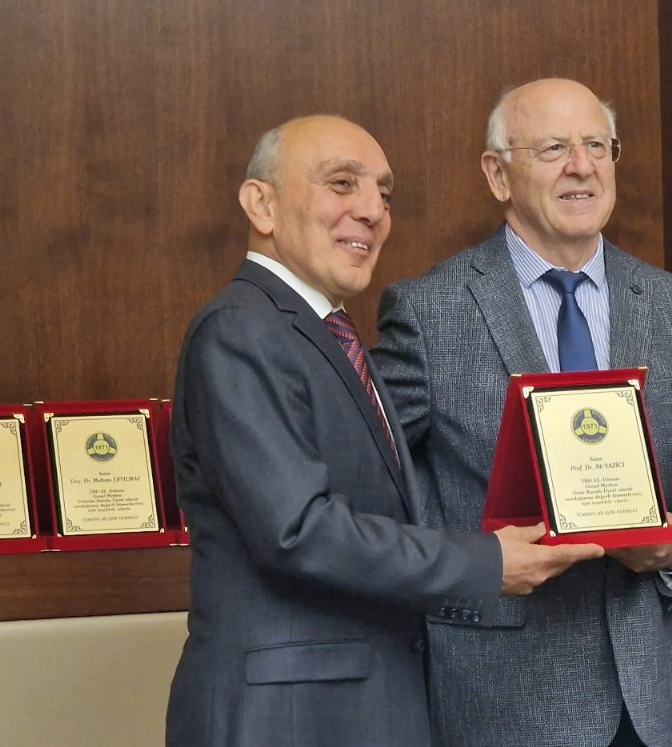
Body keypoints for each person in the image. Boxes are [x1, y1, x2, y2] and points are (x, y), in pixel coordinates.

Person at [165, 115, 601, 747]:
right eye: (342, 184)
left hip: (353, 706)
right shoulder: (242, 329)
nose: (372, 211)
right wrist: (485, 562)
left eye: (384, 194)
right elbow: (297, 532)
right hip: (289, 715)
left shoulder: (324, 334)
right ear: (261, 204)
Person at [371, 79, 672, 747]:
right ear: (498, 174)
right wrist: (481, 561)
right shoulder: (429, 312)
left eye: (597, 147)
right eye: (554, 149)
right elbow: (374, 490)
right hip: (502, 700)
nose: (582, 166)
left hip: (656, 703)